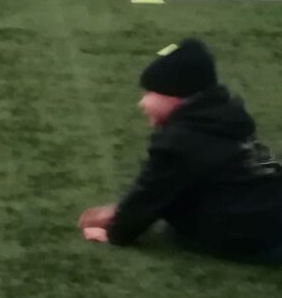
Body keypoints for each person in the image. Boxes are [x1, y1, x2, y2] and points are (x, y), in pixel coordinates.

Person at [79, 37, 282, 262]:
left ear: (175, 97)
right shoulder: (224, 117)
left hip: (250, 232)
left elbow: (151, 193)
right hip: (270, 208)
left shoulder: (179, 141)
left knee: (181, 223)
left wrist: (116, 232)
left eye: (149, 94)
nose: (141, 103)